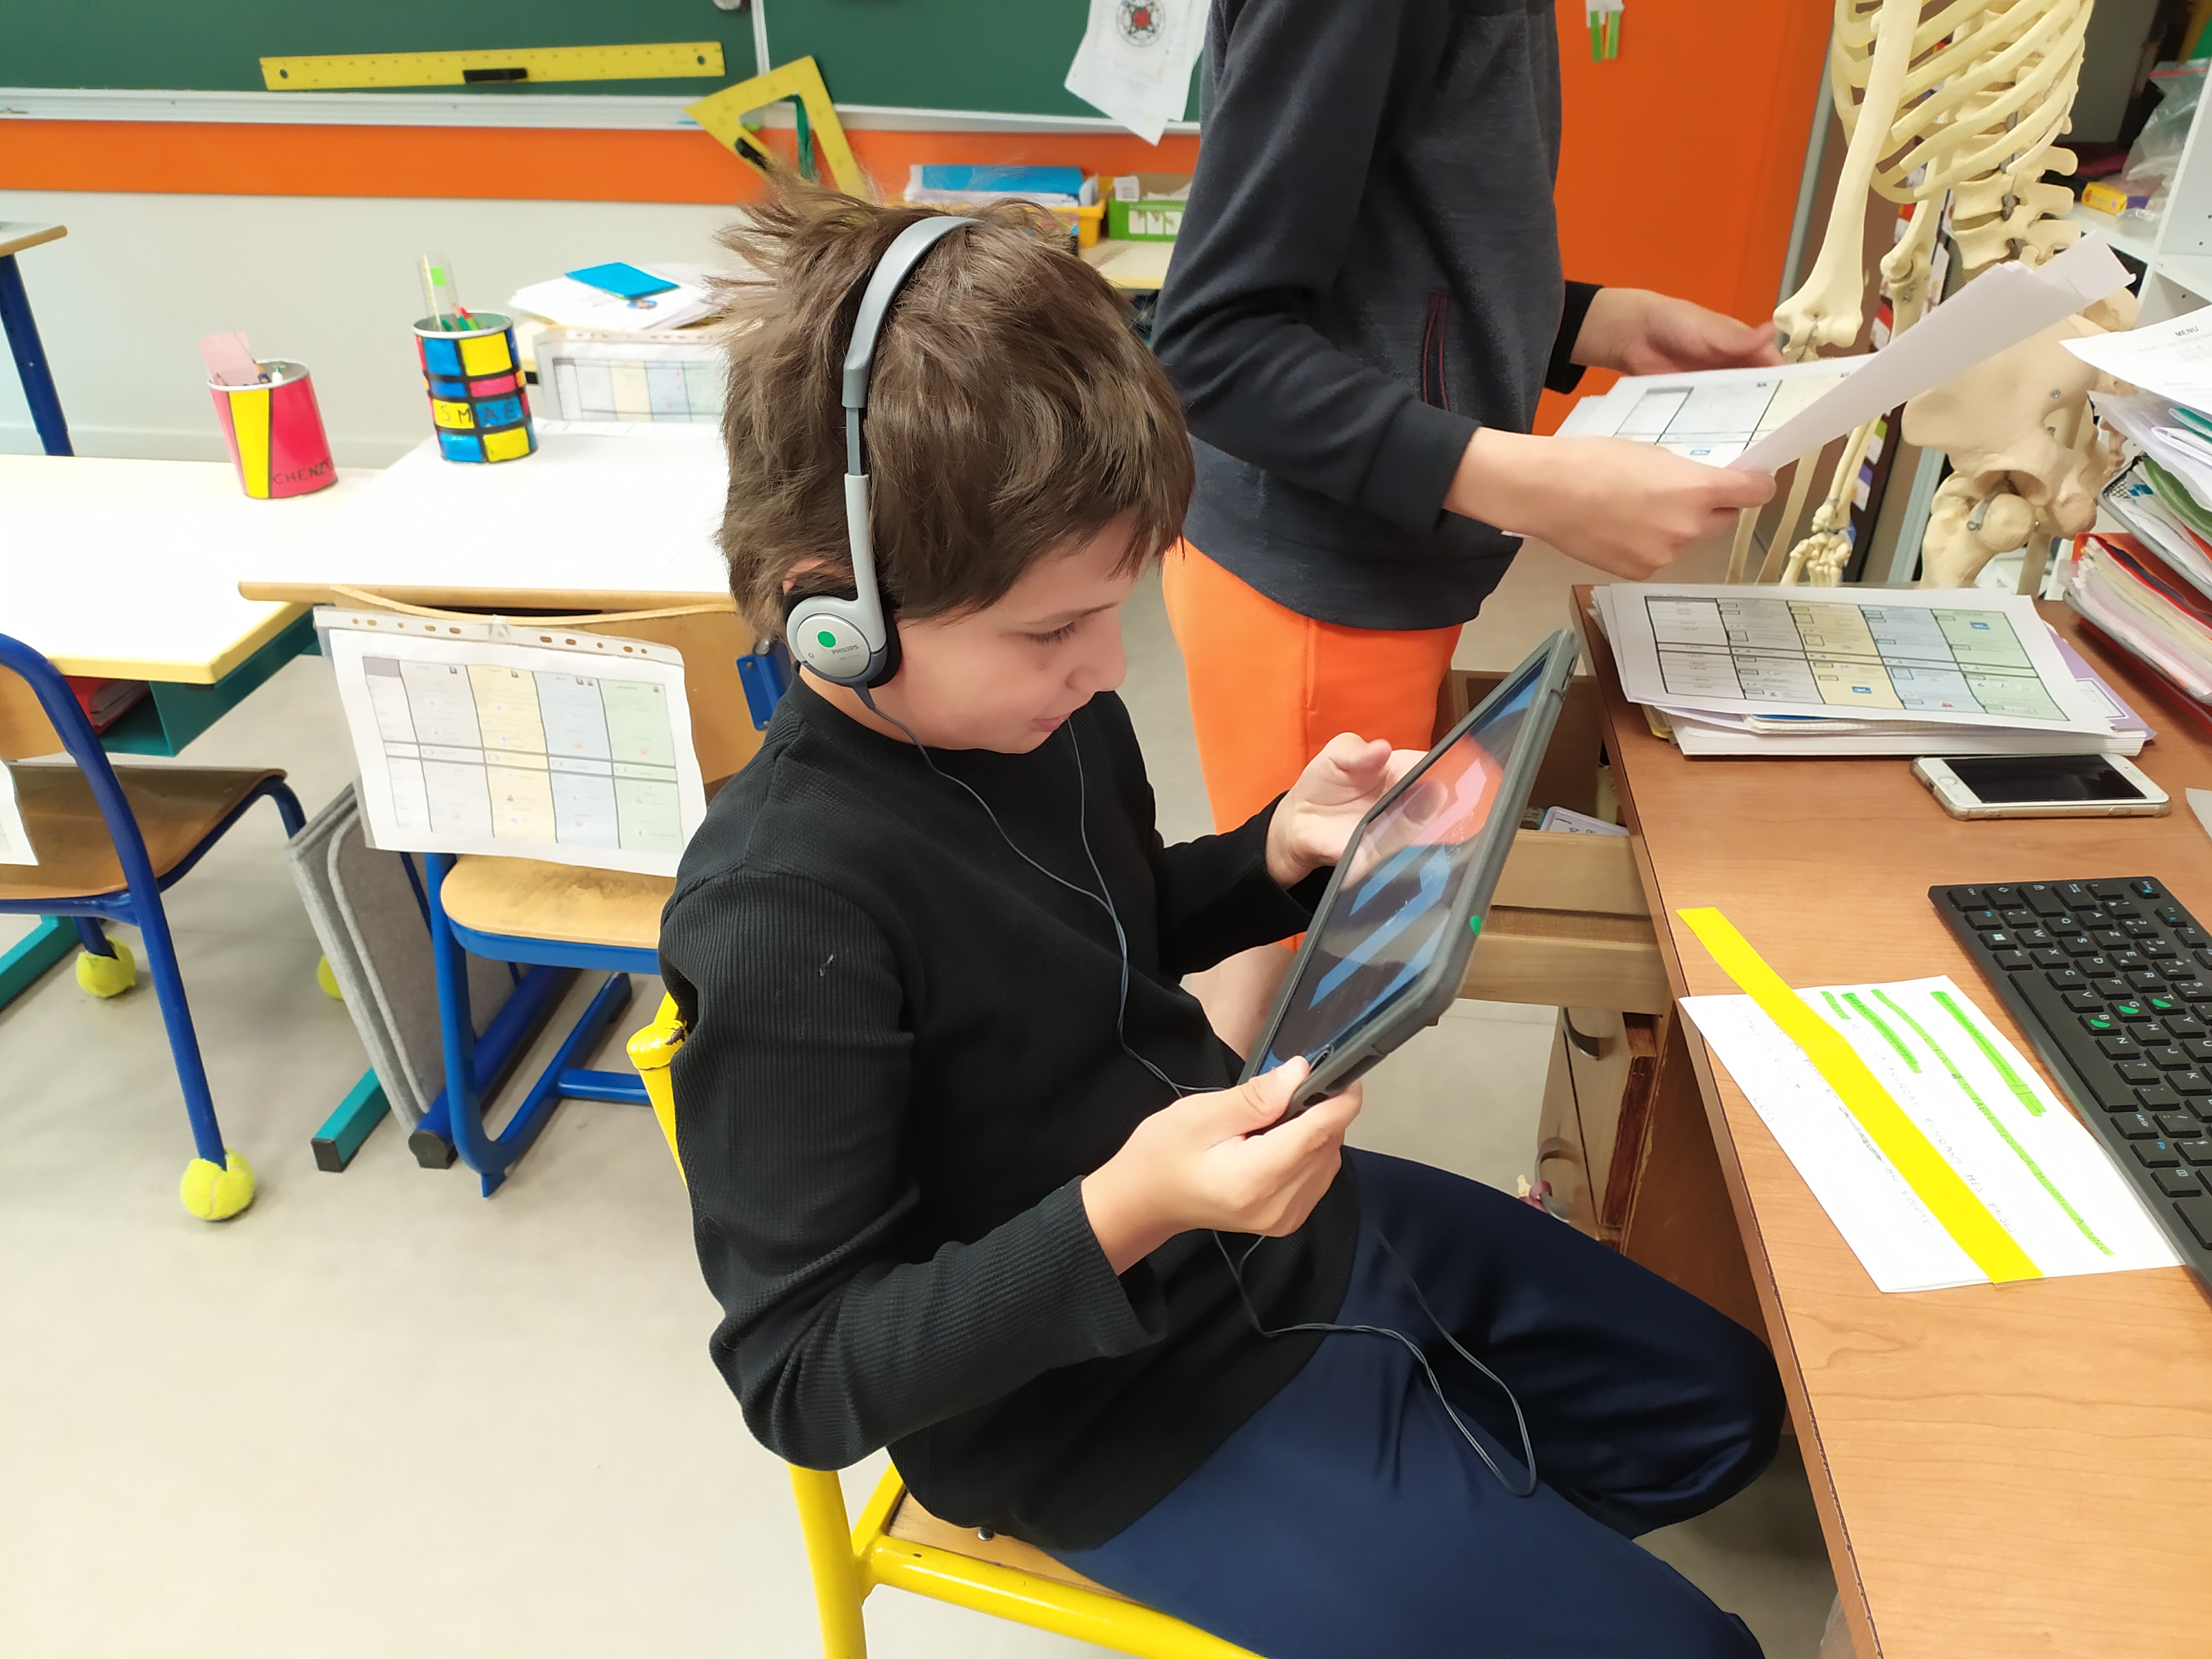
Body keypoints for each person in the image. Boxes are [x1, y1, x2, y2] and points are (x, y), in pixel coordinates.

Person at [660, 183, 1783, 1659]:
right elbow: (804, 1375)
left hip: (1273, 1231)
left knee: (1724, 1412)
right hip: (1097, 1407)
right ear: (836, 611)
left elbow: (1103, 927)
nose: (1100, 670)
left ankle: (1458, 1528)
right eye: (1053, 630)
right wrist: (1132, 1208)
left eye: (1112, 614)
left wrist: (1274, 854)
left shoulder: (1039, 718)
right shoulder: (782, 909)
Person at [1153, 0, 1783, 1045]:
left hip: (1377, 552)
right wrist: (1533, 487)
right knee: (1295, 990)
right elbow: (1214, 345)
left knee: (1302, 969)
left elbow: (1396, 244)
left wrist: (1588, 319)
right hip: (1319, 577)